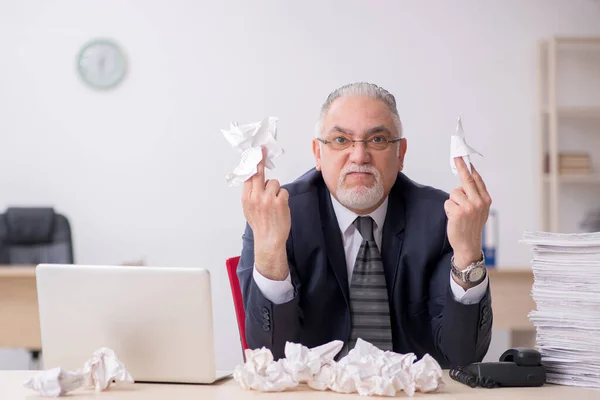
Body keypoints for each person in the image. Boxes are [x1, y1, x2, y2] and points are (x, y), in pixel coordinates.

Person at [237, 82, 493, 368]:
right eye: (341, 140)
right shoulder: (280, 215)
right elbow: (269, 357)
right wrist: (271, 252)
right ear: (318, 154)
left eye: (378, 140)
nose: (359, 156)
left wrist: (469, 252)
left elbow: (463, 355)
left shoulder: (440, 219)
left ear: (401, 154)